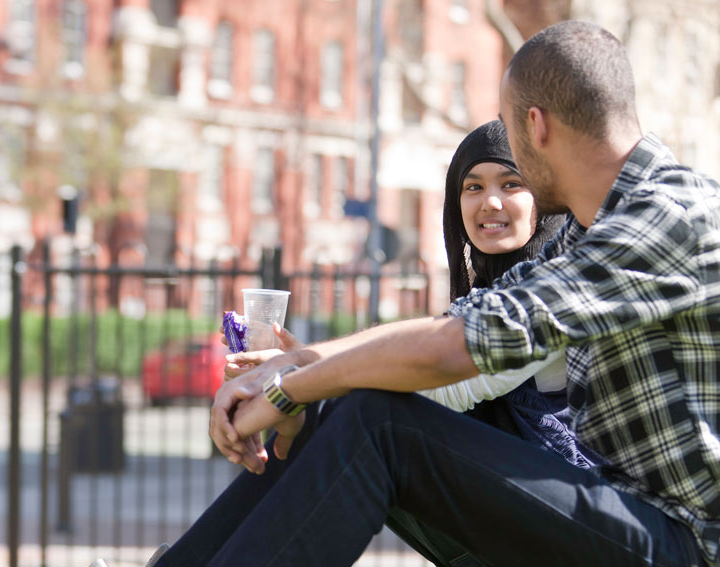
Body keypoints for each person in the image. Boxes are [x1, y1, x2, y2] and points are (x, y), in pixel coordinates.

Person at [188, 20, 718, 566]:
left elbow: (458, 348)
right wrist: (295, 365)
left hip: (686, 546)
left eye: (509, 152)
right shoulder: (596, 230)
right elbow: (463, 320)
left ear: (535, 127)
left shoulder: (667, 216)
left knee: (381, 425)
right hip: (630, 525)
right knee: (360, 413)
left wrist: (289, 386)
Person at [149, 120, 594, 567]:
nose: (489, 201)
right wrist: (297, 382)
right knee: (330, 417)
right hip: (507, 512)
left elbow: (440, 379)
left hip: (567, 524)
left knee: (368, 418)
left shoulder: (551, 284)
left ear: (543, 194)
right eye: (472, 186)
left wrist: (299, 380)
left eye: (511, 183)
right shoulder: (489, 292)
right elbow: (420, 351)